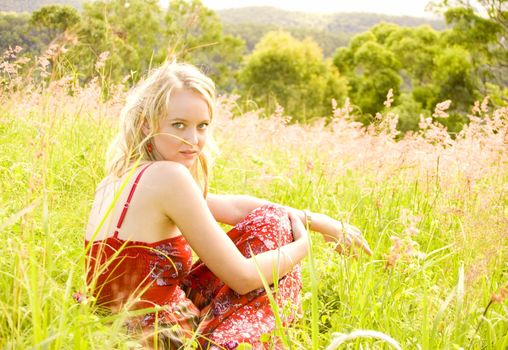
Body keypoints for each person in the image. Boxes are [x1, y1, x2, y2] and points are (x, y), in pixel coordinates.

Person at [84, 61, 371, 349]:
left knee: (271, 218)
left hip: (107, 330)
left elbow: (234, 208)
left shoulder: (119, 178)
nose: (193, 140)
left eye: (202, 126)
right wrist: (302, 247)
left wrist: (319, 221)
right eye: (179, 125)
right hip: (160, 338)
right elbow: (244, 278)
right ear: (148, 123)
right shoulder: (170, 176)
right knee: (274, 232)